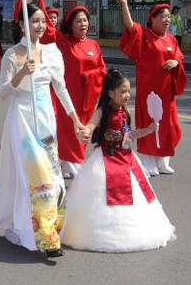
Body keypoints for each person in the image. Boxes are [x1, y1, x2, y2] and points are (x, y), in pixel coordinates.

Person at [0, 3, 85, 258]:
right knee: (35, 178)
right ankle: (41, 235)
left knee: (54, 178)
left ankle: (47, 227)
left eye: (43, 21)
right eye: (34, 21)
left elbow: (61, 88)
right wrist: (21, 73)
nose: (40, 26)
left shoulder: (52, 52)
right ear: (21, 24)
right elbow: (3, 94)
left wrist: (74, 119)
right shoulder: (12, 54)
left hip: (45, 119)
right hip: (21, 119)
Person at [60, 69, 176, 252]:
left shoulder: (125, 112)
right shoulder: (101, 111)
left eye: (128, 91)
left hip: (127, 159)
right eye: (123, 91)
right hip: (105, 158)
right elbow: (90, 126)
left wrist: (149, 129)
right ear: (110, 93)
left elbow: (130, 134)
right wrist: (85, 132)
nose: (127, 95)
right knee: (102, 198)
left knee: (135, 195)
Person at [118, 0, 186, 176]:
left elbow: (179, 58)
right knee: (149, 122)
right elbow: (131, 27)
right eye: (162, 16)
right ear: (153, 19)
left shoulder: (172, 39)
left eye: (168, 16)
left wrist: (175, 62)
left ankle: (163, 160)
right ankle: (149, 162)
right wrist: (124, 5)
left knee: (168, 124)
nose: (167, 19)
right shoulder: (146, 36)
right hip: (150, 90)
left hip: (167, 92)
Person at [40, 1, 106, 179]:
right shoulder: (64, 42)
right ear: (70, 25)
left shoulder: (93, 45)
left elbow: (102, 70)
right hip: (69, 97)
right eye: (79, 21)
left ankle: (64, 165)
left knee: (84, 131)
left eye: (85, 20)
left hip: (88, 97)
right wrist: (40, 0)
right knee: (70, 133)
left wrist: (90, 75)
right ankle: (77, 169)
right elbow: (47, 29)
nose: (83, 24)